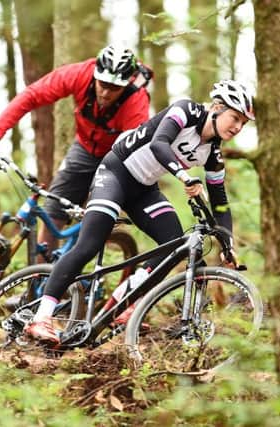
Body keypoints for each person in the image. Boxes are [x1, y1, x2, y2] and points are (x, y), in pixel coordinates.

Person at [24, 79, 256, 343]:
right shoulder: (186, 111)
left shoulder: (213, 153)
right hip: (115, 173)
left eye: (243, 123)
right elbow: (160, 144)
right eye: (234, 117)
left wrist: (228, 244)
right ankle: (40, 316)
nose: (237, 127)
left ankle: (124, 302)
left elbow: (220, 202)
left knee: (173, 246)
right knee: (88, 245)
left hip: (144, 190)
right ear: (216, 107)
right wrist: (183, 176)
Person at [0, 45, 152, 255]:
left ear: (126, 84)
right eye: (103, 84)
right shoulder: (80, 74)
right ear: (95, 74)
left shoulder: (135, 100)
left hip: (117, 157)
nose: (105, 93)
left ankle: (90, 271)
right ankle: (39, 280)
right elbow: (33, 95)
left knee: (98, 218)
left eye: (114, 88)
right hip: (84, 149)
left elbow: (136, 149)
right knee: (53, 211)